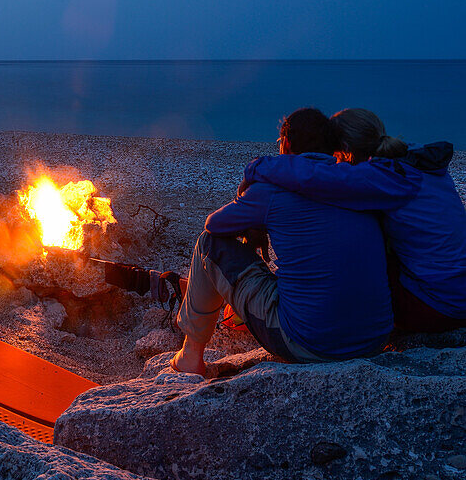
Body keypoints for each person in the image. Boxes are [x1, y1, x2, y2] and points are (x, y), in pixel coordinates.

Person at [172, 107, 393, 375]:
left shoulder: (273, 190)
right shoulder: (358, 183)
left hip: (310, 344)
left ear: (286, 142)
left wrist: (255, 217)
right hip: (375, 339)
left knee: (209, 244)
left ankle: (190, 356)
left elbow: (215, 226)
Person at [243, 108, 466, 333]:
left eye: (337, 154)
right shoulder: (415, 162)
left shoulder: (384, 177)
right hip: (456, 292)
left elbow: (313, 178)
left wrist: (256, 167)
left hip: (439, 306)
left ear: (346, 149)